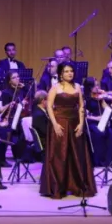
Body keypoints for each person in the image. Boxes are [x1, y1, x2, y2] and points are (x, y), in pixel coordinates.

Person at [40, 61, 97, 199]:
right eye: (66, 71)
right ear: (60, 74)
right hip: (59, 124)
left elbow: (81, 107)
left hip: (75, 123)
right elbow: (49, 107)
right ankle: (59, 186)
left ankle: (76, 184)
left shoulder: (77, 86)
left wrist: (81, 124)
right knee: (59, 155)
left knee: (76, 154)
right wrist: (54, 124)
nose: (69, 73)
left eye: (71, 71)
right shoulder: (55, 88)